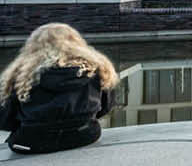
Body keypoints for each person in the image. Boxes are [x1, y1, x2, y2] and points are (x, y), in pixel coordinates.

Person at [1, 23, 117, 154]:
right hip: (85, 135)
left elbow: (5, 120)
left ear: (33, 46)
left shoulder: (21, 75)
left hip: (31, 143)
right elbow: (106, 106)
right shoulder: (96, 69)